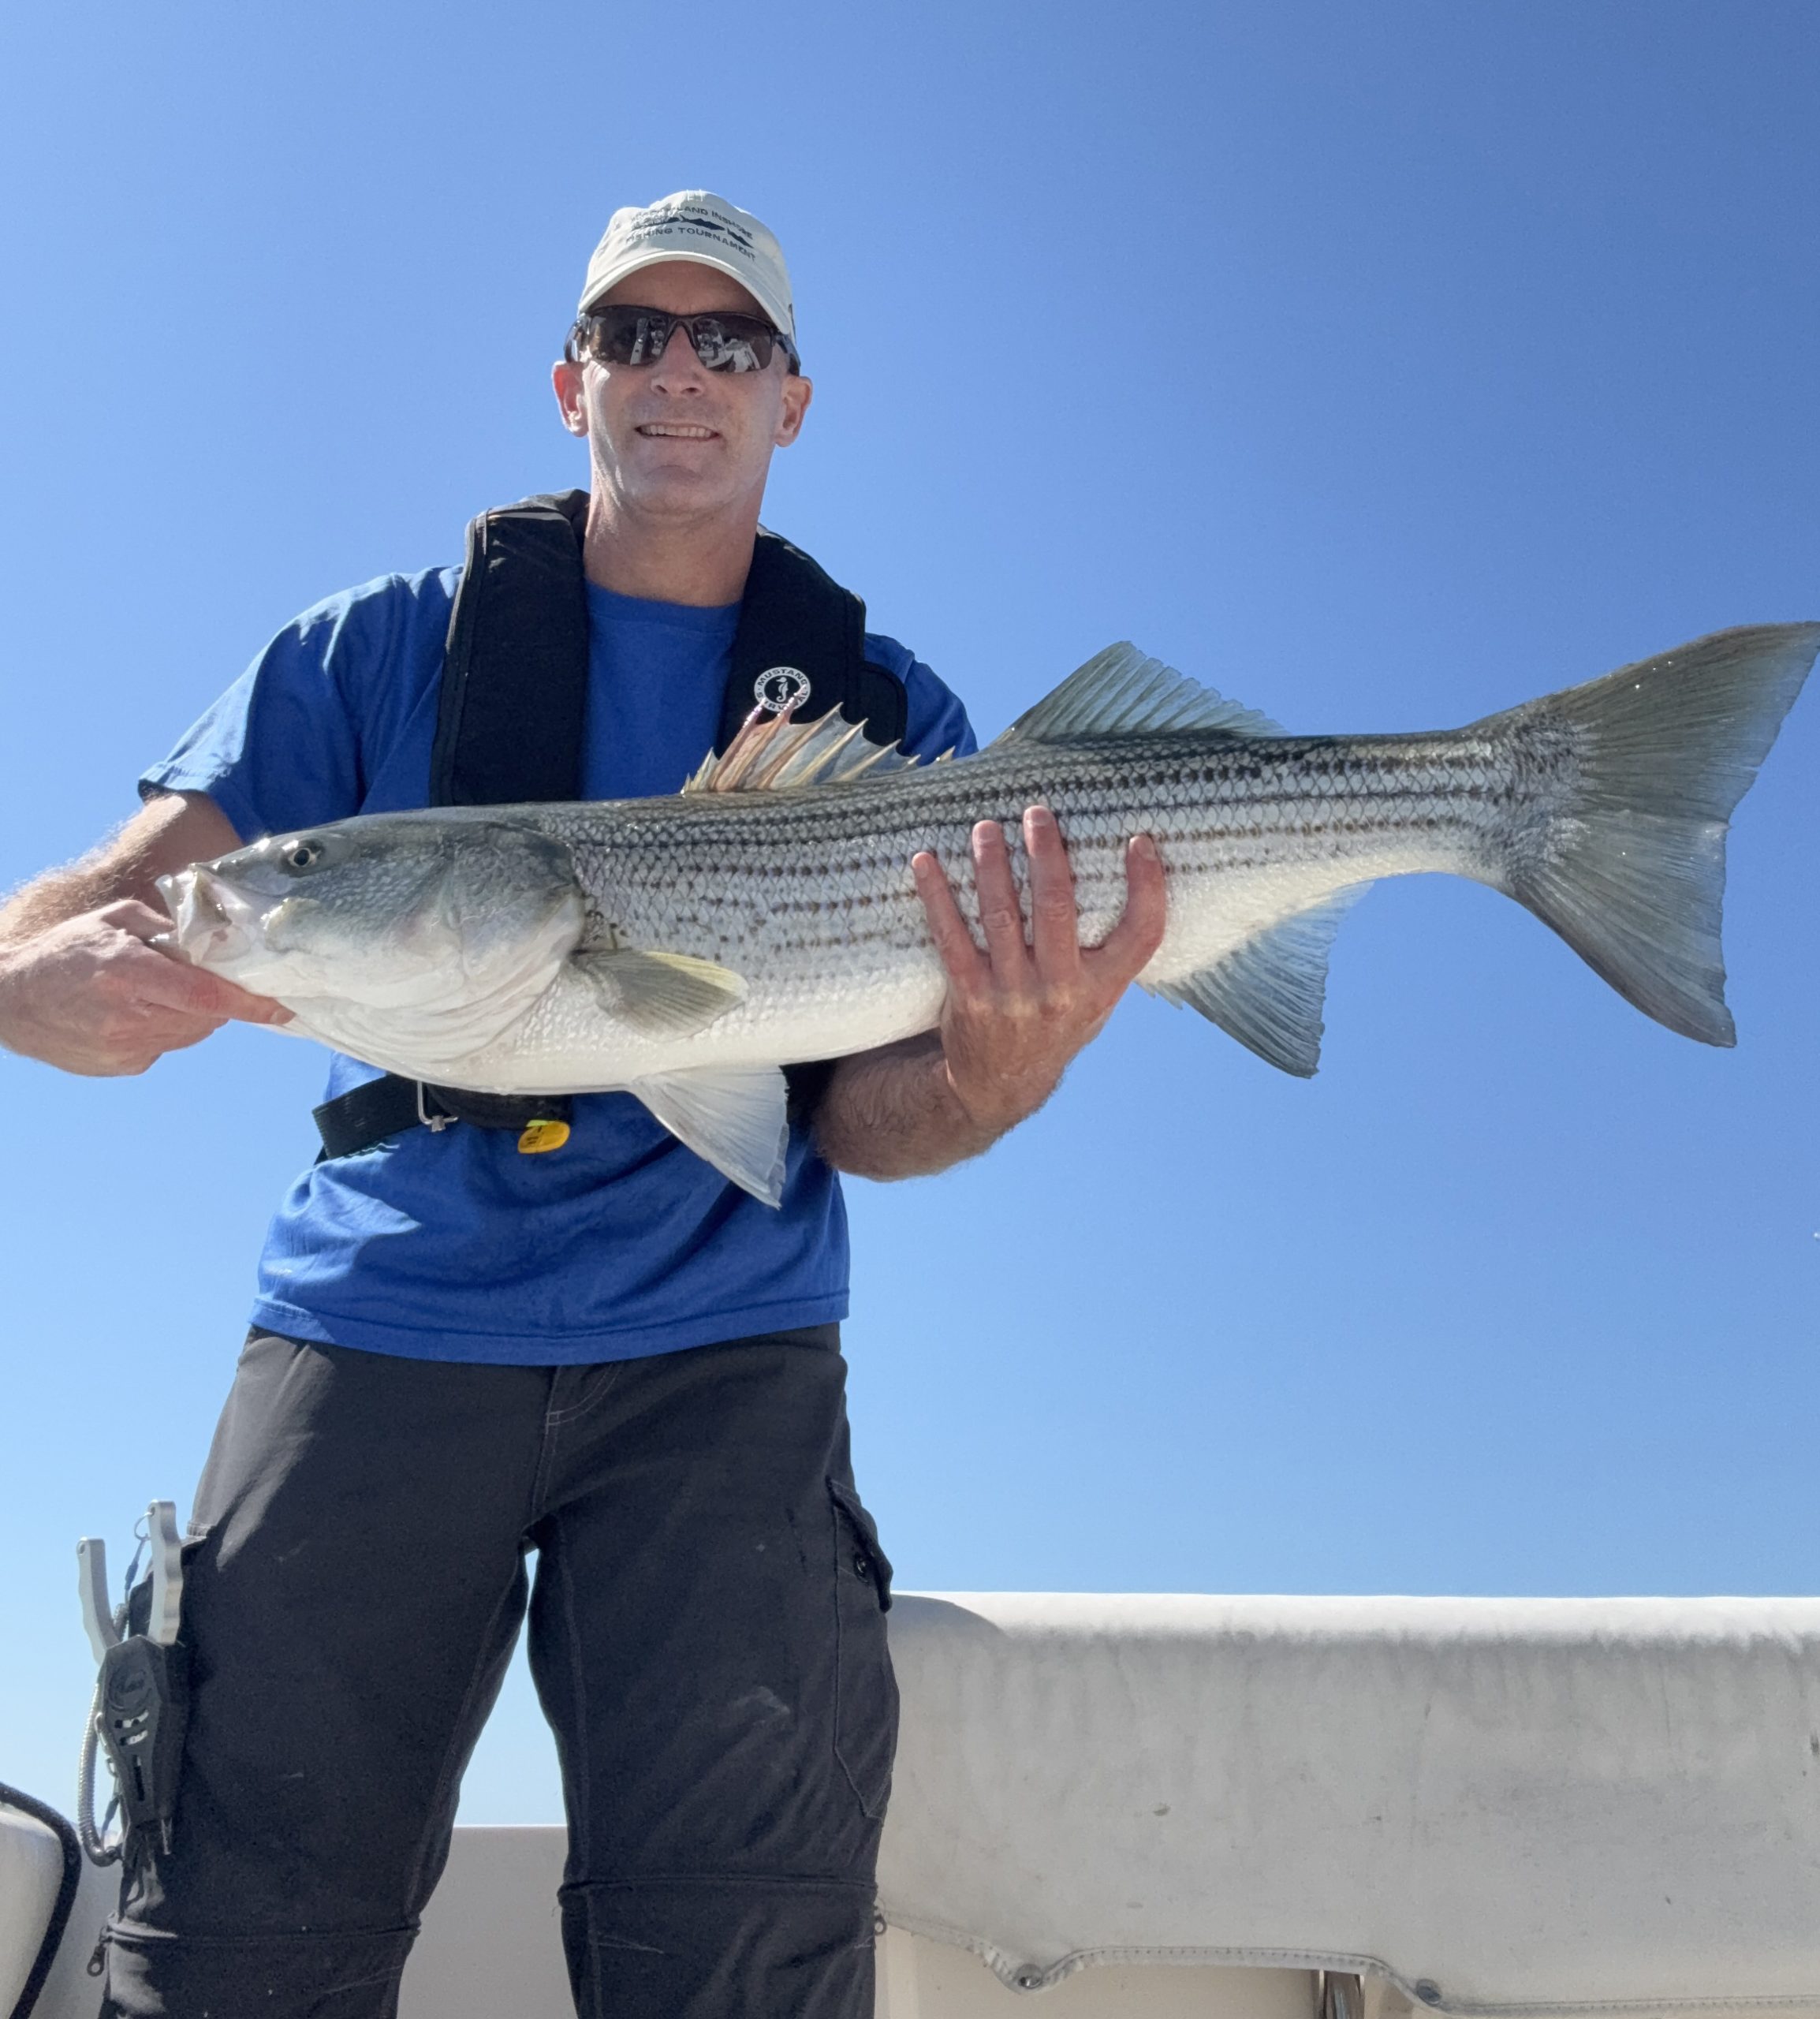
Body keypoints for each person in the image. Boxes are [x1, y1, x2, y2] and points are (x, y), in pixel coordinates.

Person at [0, 190, 1164, 2019]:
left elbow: (868, 1121)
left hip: (727, 1352)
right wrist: (17, 991)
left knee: (734, 1970)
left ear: (790, 398)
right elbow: (104, 901)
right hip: (371, 1328)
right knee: (231, 1950)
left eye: (728, 340)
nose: (677, 371)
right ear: (570, 384)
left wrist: (999, 1063)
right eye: (632, 335)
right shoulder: (369, 648)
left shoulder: (884, 711)